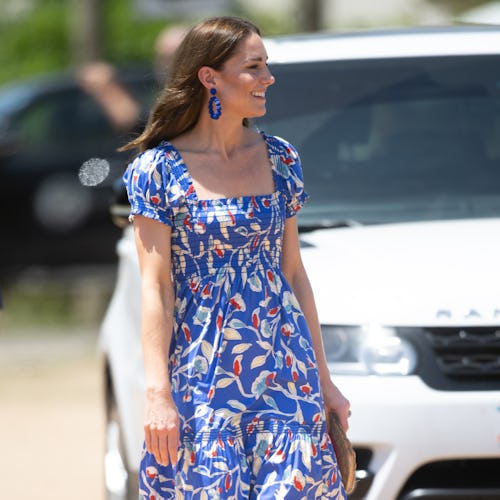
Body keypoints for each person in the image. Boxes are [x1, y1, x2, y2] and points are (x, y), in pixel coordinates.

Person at [122, 16, 351, 499]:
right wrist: (158, 395)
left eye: (266, 65)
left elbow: (292, 272)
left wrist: (325, 381)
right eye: (254, 66)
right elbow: (155, 287)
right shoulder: (156, 171)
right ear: (209, 77)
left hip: (286, 373)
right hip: (202, 376)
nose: (268, 78)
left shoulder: (281, 158)